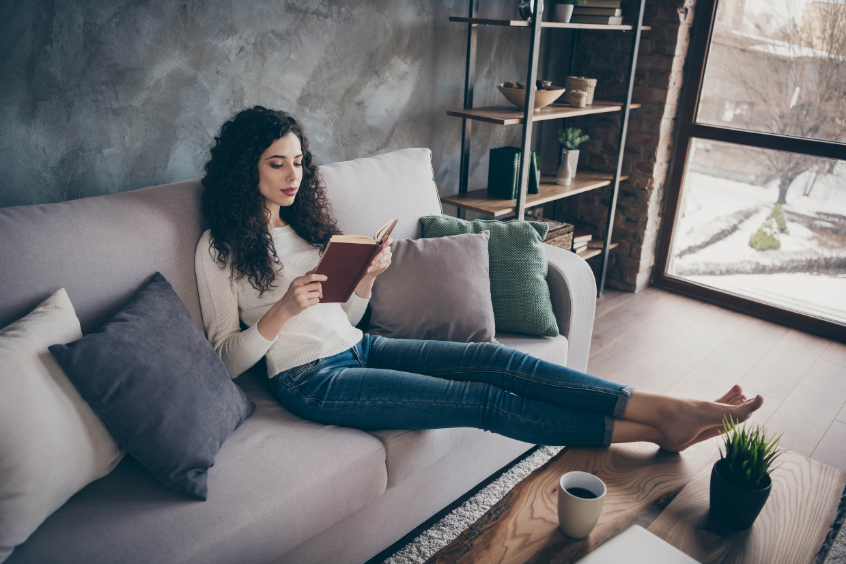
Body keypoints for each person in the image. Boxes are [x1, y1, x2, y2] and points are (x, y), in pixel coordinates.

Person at [195, 106, 763, 453]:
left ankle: (661, 406)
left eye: (299, 161)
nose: (294, 175)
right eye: (277, 163)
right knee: (481, 400)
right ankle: (654, 428)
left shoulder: (308, 228)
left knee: (499, 359)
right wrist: (281, 313)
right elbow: (222, 361)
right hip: (309, 380)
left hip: (359, 347)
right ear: (247, 167)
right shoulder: (218, 248)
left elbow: (345, 321)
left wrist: (365, 281)